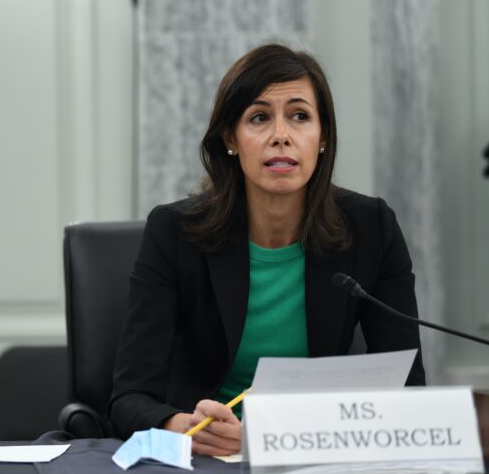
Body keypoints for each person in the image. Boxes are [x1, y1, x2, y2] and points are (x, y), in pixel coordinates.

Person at [108, 43, 426, 457]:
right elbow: (128, 398)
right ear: (230, 140)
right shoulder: (174, 232)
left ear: (323, 136)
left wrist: (271, 437)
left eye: (300, 116)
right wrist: (180, 426)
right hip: (207, 454)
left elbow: (408, 391)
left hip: (314, 450)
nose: (281, 136)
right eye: (259, 118)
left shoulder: (372, 228)